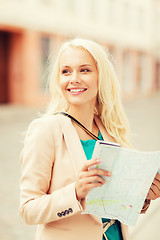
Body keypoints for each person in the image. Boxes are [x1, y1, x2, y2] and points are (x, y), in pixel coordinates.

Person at [19, 38, 160, 240]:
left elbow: (112, 205)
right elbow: (28, 210)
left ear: (100, 77)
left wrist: (144, 196)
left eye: (84, 70)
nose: (74, 78)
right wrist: (76, 192)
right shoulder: (45, 130)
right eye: (66, 71)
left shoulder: (109, 129)